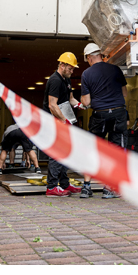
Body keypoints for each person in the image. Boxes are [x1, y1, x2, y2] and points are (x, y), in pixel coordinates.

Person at [79, 43, 128, 199]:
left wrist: (84, 99)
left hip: (99, 115)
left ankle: (86, 187)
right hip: (118, 113)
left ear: (89, 57)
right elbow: (125, 93)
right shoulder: (115, 69)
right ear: (99, 54)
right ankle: (109, 187)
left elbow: (86, 102)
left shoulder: (86, 74)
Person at [42, 51, 84, 197]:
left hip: (62, 121)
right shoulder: (54, 80)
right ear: (62, 65)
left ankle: (64, 184)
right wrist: (63, 121)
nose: (72, 71)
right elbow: (52, 105)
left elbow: (71, 98)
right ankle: (52, 187)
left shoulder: (66, 80)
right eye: (70, 68)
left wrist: (79, 105)